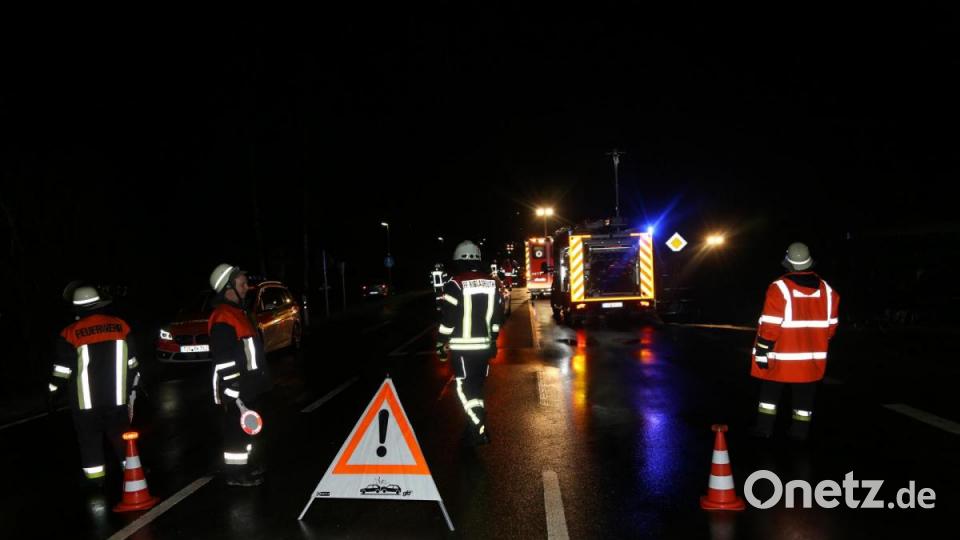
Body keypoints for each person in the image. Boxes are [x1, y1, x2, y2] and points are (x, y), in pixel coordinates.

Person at [50, 286, 140, 485]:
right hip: (117, 398)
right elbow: (133, 363)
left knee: (89, 441)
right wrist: (132, 387)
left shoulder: (69, 333)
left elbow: (62, 372)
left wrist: (53, 393)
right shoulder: (121, 326)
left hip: (85, 404)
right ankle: (132, 473)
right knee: (120, 437)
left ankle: (96, 482)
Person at [750, 242, 840, 441]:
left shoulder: (779, 288)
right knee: (804, 399)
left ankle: (764, 431)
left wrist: (762, 351)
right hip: (811, 359)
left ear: (788, 263)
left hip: (780, 358)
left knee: (769, 397)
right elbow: (831, 327)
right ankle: (799, 434)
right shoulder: (828, 291)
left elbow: (770, 325)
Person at [207, 264, 270, 486]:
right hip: (236, 389)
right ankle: (235, 475)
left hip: (249, 386)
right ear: (229, 287)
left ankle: (248, 466)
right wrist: (234, 389)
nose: (246, 288)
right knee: (235, 434)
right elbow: (223, 358)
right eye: (242, 284)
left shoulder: (238, 313)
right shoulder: (223, 317)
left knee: (247, 432)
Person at [436, 241, 504, 446]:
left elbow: (448, 319)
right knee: (476, 388)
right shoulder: (492, 284)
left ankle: (478, 427)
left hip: (463, 349)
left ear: (458, 261)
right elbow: (496, 316)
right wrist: (493, 339)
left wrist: (440, 343)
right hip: (484, 347)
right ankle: (472, 427)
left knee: (464, 389)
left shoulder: (454, 284)